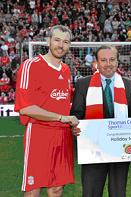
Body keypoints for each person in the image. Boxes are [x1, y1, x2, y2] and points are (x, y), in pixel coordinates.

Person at [14, 25, 79, 197]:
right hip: (39, 133)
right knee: (34, 188)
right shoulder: (30, 66)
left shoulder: (65, 70)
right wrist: (61, 117)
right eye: (57, 40)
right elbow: (26, 108)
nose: (61, 45)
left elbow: (63, 104)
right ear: (48, 41)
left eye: (65, 42)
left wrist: (70, 122)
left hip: (62, 135)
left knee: (57, 189)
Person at [70, 45, 131, 197]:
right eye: (103, 60)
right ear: (96, 63)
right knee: (91, 193)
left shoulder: (129, 85)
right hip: (93, 148)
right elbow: (76, 114)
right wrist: (75, 126)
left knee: (118, 193)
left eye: (112, 59)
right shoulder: (83, 84)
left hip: (120, 148)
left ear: (117, 62)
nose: (108, 63)